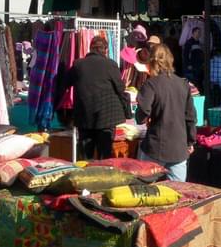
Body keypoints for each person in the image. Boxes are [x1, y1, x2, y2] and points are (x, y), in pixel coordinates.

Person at [136, 44, 197, 182]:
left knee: (144, 189)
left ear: (151, 62)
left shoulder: (151, 84)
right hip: (179, 147)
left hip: (156, 146)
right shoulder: (183, 84)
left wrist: (141, 117)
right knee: (178, 193)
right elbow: (190, 117)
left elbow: (143, 112)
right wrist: (190, 141)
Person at [66, 37, 131, 159]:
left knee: (85, 157)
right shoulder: (110, 64)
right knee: (104, 156)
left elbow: (65, 83)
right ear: (105, 50)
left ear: (90, 48)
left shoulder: (78, 64)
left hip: (84, 116)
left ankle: (85, 176)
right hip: (107, 116)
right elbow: (120, 88)